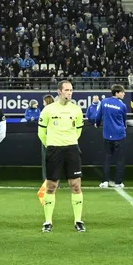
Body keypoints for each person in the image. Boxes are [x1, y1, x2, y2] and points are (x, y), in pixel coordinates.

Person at [38, 79, 88, 233]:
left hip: (72, 149)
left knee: (75, 185)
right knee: (51, 186)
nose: (69, 93)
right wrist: (51, 145)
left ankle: (78, 221)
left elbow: (78, 131)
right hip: (54, 150)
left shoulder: (76, 110)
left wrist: (70, 141)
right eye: (66, 90)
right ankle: (48, 222)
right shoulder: (48, 110)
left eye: (71, 90)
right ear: (59, 91)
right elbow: (41, 132)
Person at [92, 84, 130, 188]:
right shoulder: (122, 106)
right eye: (122, 92)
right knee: (120, 160)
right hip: (120, 135)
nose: (124, 94)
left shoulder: (104, 102)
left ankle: (104, 181)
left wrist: (97, 124)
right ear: (117, 93)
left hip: (107, 135)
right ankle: (118, 182)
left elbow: (98, 116)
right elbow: (123, 120)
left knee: (106, 159)